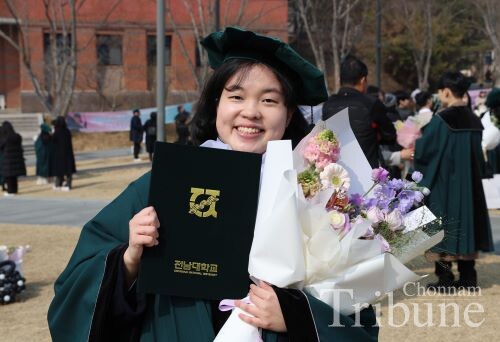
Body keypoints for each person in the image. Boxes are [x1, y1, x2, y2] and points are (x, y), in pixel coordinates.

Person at [48, 27, 378, 342]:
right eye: (236, 96)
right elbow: (73, 290)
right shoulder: (165, 183)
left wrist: (295, 314)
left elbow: (355, 306)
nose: (250, 112)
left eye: (269, 101)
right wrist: (130, 259)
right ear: (216, 103)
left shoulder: (316, 193)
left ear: (289, 113)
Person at [414, 71, 494, 290]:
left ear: (446, 91)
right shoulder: (474, 120)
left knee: (443, 226)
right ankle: (468, 277)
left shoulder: (441, 120)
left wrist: (413, 147)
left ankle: (445, 279)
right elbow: (479, 157)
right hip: (469, 184)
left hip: (445, 183)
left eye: (440, 91)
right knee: (468, 223)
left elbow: (424, 150)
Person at [322, 55, 397, 169]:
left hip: (337, 170)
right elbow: (389, 135)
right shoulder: (371, 103)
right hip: (367, 170)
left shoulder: (328, 104)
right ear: (363, 80)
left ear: (340, 80)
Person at [0, 121, 26, 196]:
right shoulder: (17, 136)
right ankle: (14, 190)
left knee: (9, 177)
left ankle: (10, 191)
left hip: (8, 159)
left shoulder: (5, 138)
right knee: (14, 176)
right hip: (16, 159)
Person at [51, 116, 76, 191]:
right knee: (68, 170)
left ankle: (58, 184)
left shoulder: (57, 131)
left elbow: (53, 142)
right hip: (68, 153)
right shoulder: (67, 131)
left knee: (59, 170)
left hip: (58, 154)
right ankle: (68, 184)